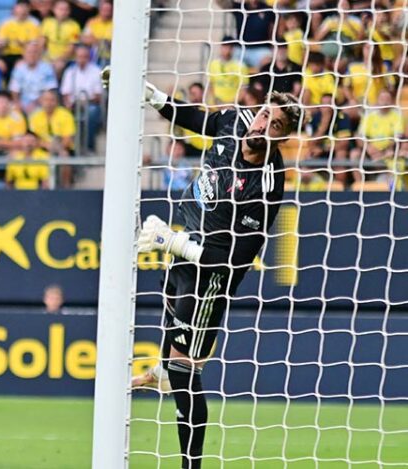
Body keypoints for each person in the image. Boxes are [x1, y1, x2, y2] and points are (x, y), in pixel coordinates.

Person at [102, 67, 302, 469]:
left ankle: (190, 463)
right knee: (174, 346)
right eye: (265, 115)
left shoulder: (266, 184)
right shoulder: (235, 121)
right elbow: (199, 120)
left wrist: (174, 242)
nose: (262, 124)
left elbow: (236, 259)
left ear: (282, 138)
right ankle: (164, 369)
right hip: (182, 252)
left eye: (275, 125)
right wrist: (154, 97)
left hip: (211, 277)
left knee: (184, 368)